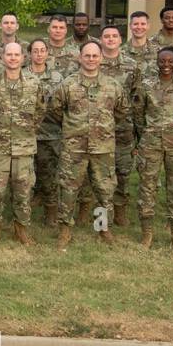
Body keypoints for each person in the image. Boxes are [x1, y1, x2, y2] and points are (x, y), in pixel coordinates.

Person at [46, 41, 127, 249]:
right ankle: (65, 229)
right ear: (80, 58)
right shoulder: (68, 84)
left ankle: (102, 228)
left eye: (95, 56)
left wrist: (103, 128)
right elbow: (55, 110)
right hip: (74, 147)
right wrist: (72, 128)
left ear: (101, 58)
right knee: (68, 189)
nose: (91, 59)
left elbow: (121, 111)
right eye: (87, 56)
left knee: (104, 189)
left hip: (103, 148)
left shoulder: (112, 85)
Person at [0, 42, 43, 246]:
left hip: (24, 148)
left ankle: (21, 229)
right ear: (3, 57)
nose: (13, 58)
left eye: (17, 54)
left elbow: (40, 111)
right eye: (9, 54)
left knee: (23, 191)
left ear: (23, 58)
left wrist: (25, 130)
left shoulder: (34, 83)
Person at [135, 47, 173, 252]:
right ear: (157, 61)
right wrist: (146, 134)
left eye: (170, 61)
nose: (166, 65)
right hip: (150, 145)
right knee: (147, 189)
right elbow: (138, 114)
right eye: (162, 61)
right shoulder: (146, 85)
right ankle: (147, 234)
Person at [97, 25, 142, 226]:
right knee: (98, 177)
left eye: (115, 36)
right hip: (96, 132)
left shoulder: (132, 66)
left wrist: (138, 132)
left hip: (123, 130)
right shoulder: (93, 61)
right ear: (101, 39)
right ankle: (99, 218)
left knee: (122, 173)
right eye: (107, 36)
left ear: (120, 39)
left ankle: (120, 209)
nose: (111, 39)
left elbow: (137, 99)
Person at [25, 39, 65, 225]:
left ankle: (51, 212)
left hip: (50, 133)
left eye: (42, 50)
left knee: (49, 174)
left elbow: (63, 104)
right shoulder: (22, 75)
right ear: (30, 53)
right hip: (26, 134)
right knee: (25, 176)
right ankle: (24, 213)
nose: (39, 54)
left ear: (47, 53)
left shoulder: (58, 77)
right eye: (35, 50)